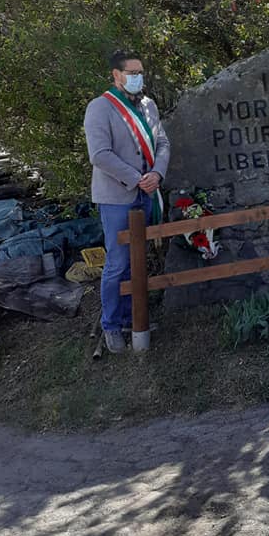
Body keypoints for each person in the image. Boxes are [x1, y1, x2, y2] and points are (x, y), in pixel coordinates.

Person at [84, 50, 170, 353]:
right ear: (116, 75)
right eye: (132, 73)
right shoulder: (100, 107)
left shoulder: (149, 105)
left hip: (147, 193)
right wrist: (137, 178)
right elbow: (100, 154)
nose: (138, 77)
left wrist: (157, 173)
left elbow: (162, 142)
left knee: (138, 261)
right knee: (118, 263)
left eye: (140, 72)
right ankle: (111, 324)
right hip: (117, 197)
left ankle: (135, 318)